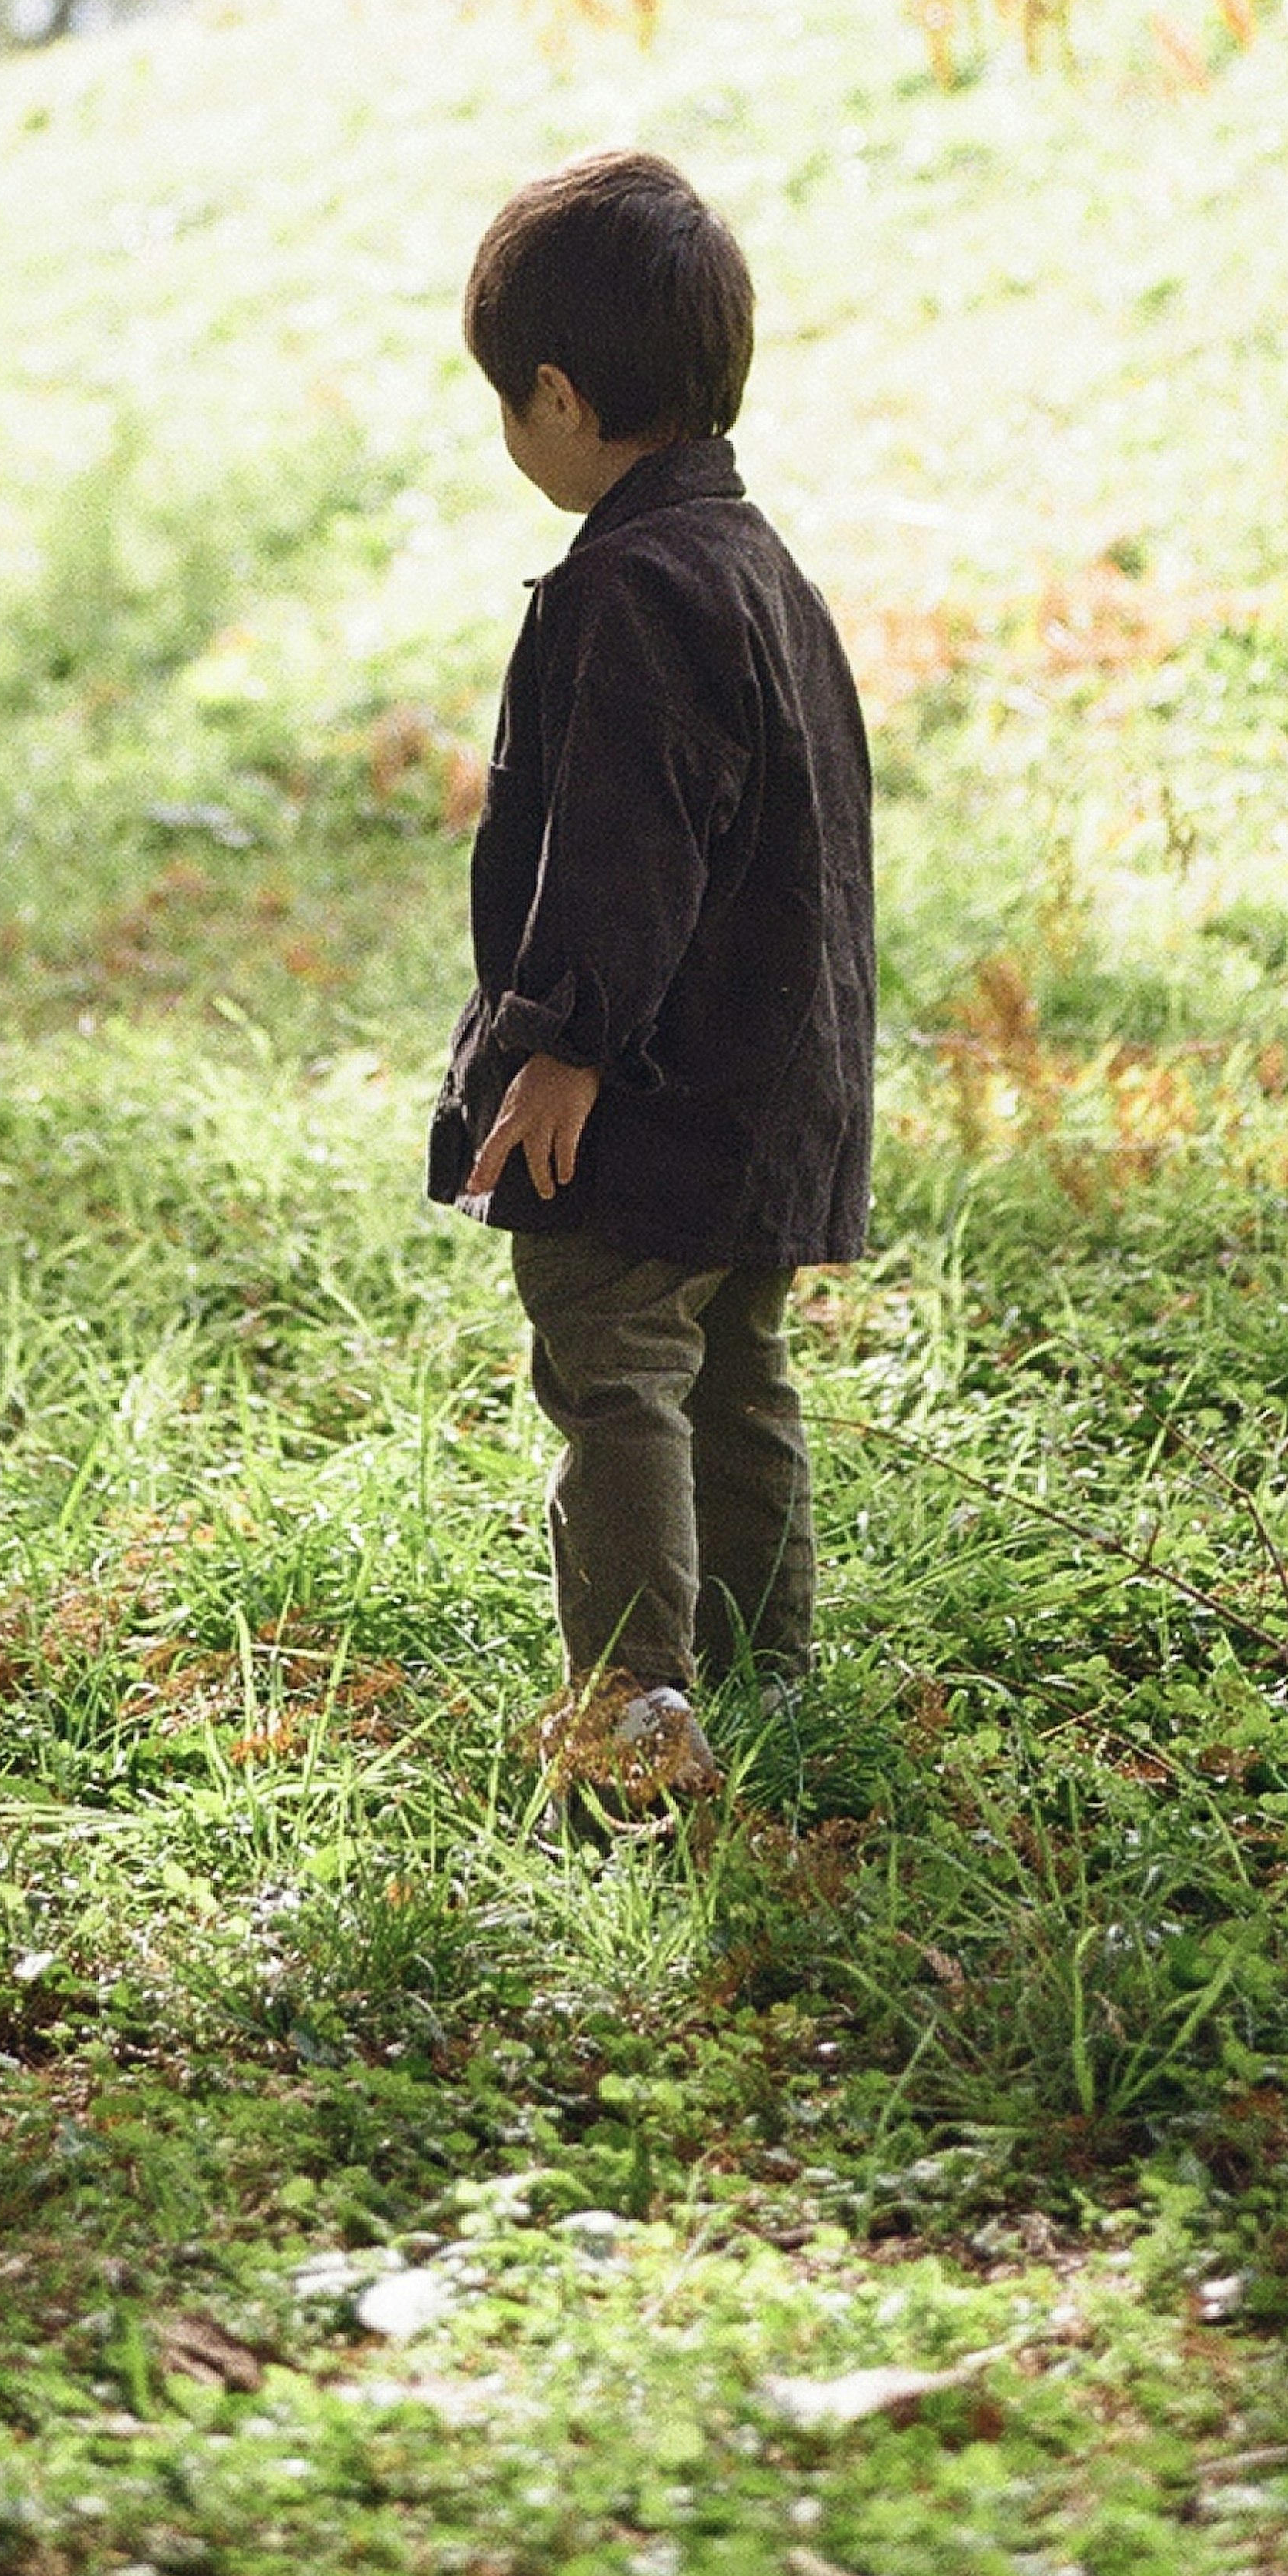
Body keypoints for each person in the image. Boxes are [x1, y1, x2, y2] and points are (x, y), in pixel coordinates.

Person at [429, 146, 875, 1809]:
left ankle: (635, 1717)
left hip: (650, 1092)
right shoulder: (759, 567)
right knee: (736, 1375)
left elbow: (630, 851)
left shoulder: (627, 590)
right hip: (773, 1081)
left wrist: (561, 1049)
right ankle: (769, 1675)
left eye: (506, 402)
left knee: (614, 1373)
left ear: (559, 394)